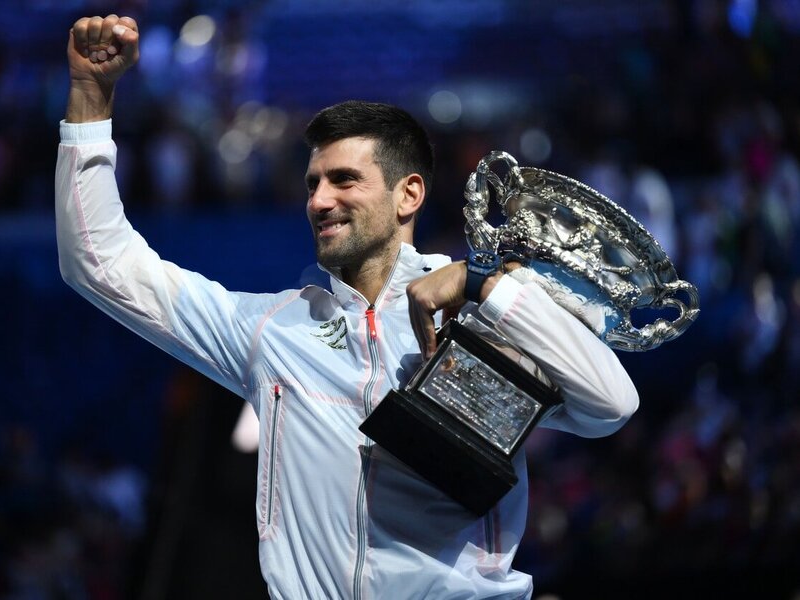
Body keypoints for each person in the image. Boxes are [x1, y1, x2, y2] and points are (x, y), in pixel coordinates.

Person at [56, 15, 639, 599]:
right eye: (312, 184)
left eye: (343, 180)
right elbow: (100, 262)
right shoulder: (272, 329)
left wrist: (483, 283)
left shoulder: (486, 313)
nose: (319, 201)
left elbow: (610, 404)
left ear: (408, 193)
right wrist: (89, 97)